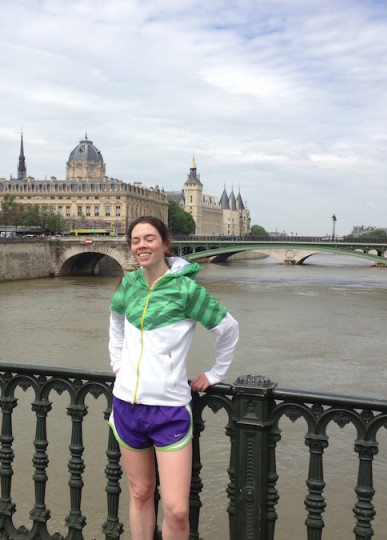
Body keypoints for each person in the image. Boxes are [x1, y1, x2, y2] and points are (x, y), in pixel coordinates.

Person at [108, 216, 239, 540]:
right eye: (136, 240)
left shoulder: (186, 289)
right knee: (139, 494)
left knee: (177, 510)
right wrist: (117, 364)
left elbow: (228, 328)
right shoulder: (129, 284)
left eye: (149, 238)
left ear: (165, 243)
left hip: (169, 409)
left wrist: (215, 373)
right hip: (127, 405)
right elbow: (116, 321)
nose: (141, 245)